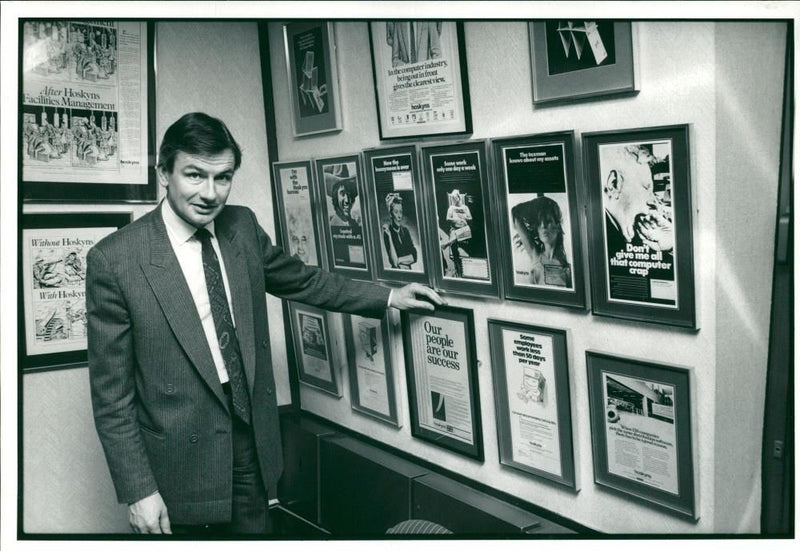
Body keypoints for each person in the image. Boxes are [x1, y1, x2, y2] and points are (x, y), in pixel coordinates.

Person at [86, 112, 444, 536]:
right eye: (195, 175)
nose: (210, 193)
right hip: (178, 461)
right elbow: (112, 397)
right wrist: (139, 490)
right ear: (164, 172)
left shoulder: (241, 227)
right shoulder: (116, 259)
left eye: (223, 178)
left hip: (251, 441)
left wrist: (387, 296)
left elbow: (303, 280)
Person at [511, 196, 572, 288]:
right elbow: (515, 213)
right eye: (539, 223)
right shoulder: (535, 255)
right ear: (537, 229)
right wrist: (541, 202)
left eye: (548, 221)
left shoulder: (568, 268)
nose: (543, 226)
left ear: (558, 227)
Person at [381, 193, 418, 269]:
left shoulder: (405, 231)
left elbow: (414, 256)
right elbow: (393, 262)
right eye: (396, 212)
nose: (399, 216)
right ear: (391, 214)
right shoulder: (387, 233)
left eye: (401, 212)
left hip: (409, 272)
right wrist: (390, 237)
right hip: (397, 273)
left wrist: (399, 260)